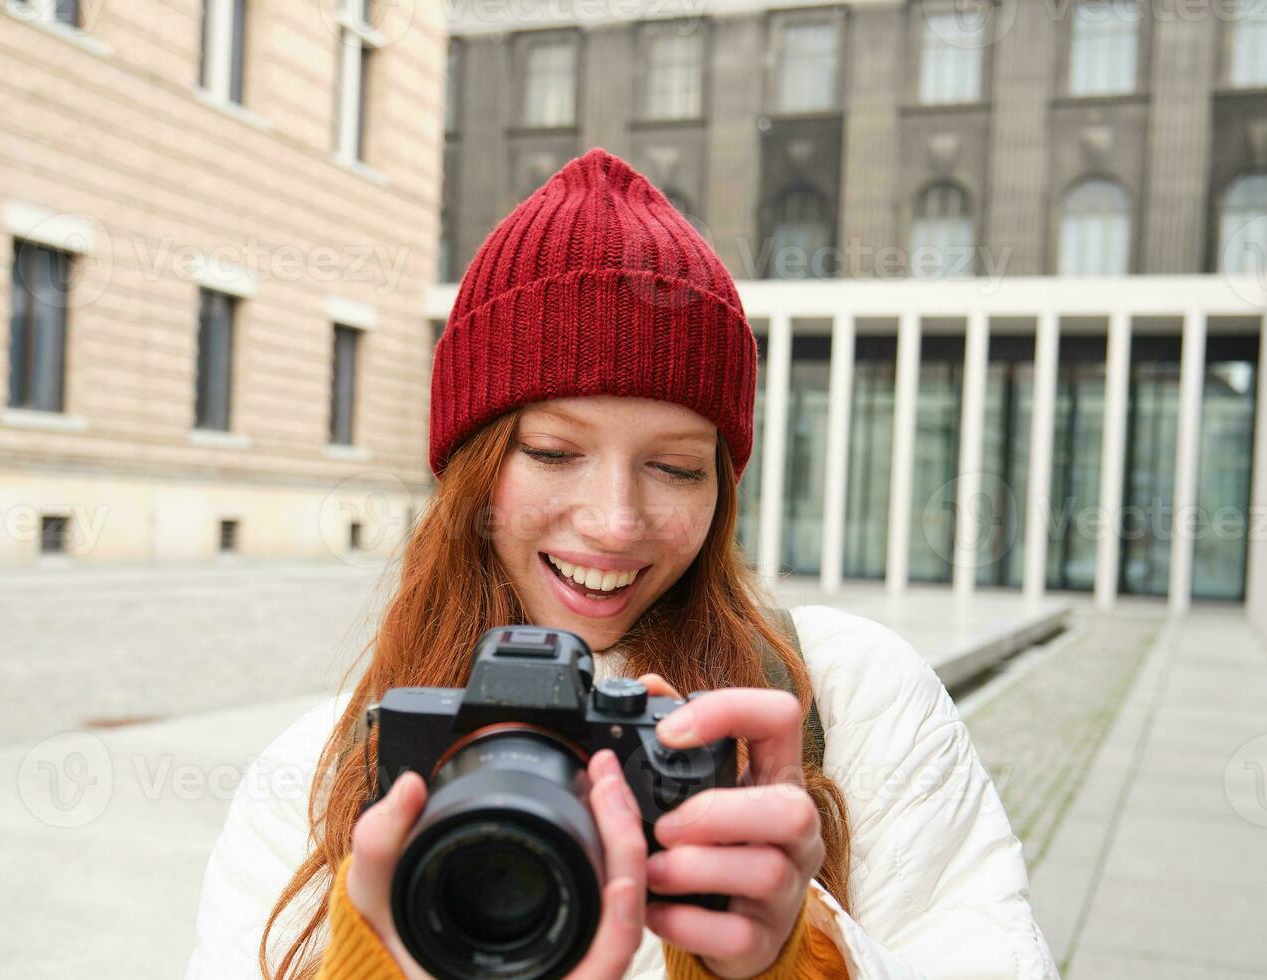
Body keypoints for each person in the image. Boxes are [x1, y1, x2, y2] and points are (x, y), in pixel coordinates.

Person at [183, 148, 1054, 979]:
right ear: (471, 469)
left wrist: (799, 953)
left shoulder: (856, 697)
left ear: (723, 486)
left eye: (673, 467)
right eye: (555, 452)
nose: (613, 522)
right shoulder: (318, 772)